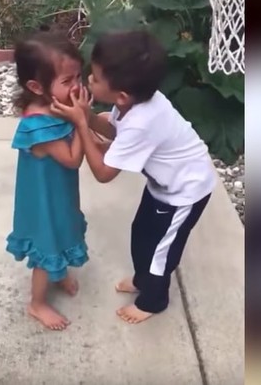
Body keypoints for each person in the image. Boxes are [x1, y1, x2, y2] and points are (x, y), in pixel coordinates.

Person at [50, 30, 216, 324]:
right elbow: (116, 134)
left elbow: (103, 173)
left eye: (96, 79)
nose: (88, 79)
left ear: (122, 94)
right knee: (141, 233)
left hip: (186, 192)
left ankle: (153, 300)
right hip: (162, 184)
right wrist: (86, 117)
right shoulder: (134, 103)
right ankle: (143, 279)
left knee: (159, 251)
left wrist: (79, 123)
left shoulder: (143, 120)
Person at [6, 32, 90, 331]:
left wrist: (77, 116)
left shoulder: (56, 108)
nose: (78, 86)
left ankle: (61, 272)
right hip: (42, 203)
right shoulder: (38, 125)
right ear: (35, 86)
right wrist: (82, 121)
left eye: (78, 77)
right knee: (46, 246)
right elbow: (72, 159)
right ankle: (37, 303)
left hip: (59, 193)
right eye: (67, 81)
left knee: (65, 228)